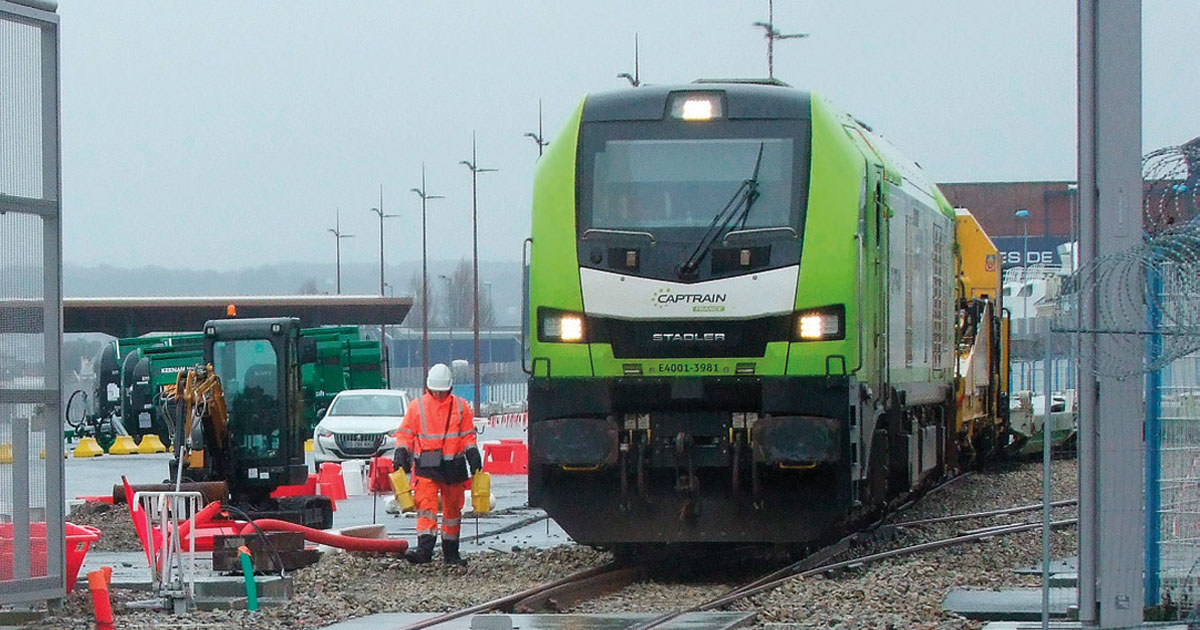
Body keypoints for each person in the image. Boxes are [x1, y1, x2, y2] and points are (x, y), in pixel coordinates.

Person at [393, 363, 481, 565]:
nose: (439, 395)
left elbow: (467, 436)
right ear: (429, 388)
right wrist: (401, 451)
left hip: (454, 467)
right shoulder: (418, 406)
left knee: (452, 511)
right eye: (436, 391)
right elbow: (405, 433)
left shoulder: (460, 406)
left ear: (449, 388)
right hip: (428, 468)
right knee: (426, 507)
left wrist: (473, 452)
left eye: (442, 391)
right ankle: (425, 550)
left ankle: (451, 552)